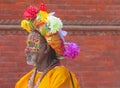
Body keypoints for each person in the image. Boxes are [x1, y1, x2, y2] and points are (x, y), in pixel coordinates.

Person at [15, 3, 80, 88]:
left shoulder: (60, 76)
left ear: (46, 48)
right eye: (27, 45)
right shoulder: (24, 81)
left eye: (31, 45)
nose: (26, 50)